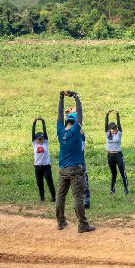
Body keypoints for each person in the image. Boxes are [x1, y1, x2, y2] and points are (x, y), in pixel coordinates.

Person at [55, 91, 94, 233]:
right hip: (76, 168)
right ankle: (82, 224)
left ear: (66, 121)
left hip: (62, 168)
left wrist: (61, 98)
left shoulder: (60, 130)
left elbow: (59, 114)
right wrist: (76, 97)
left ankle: (60, 222)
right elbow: (81, 113)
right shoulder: (76, 131)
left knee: (60, 196)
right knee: (78, 196)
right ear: (75, 121)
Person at [105, 110, 129, 195]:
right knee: (113, 173)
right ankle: (112, 189)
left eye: (115, 127)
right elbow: (106, 124)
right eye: (113, 128)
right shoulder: (107, 134)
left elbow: (119, 124)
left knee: (122, 171)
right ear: (110, 129)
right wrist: (107, 114)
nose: (115, 129)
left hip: (118, 155)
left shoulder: (119, 133)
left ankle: (126, 188)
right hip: (110, 155)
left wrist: (117, 114)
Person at [31, 117, 55, 203]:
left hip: (46, 166)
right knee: (39, 184)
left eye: (41, 138)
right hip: (37, 167)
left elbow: (45, 132)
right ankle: (42, 198)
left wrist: (43, 122)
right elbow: (32, 133)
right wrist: (34, 122)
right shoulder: (34, 144)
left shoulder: (45, 143)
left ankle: (54, 197)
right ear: (36, 139)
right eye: (38, 139)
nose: (40, 140)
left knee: (50, 183)